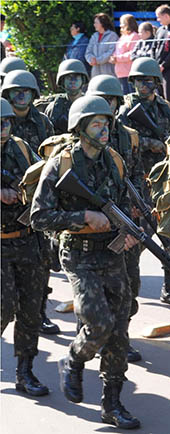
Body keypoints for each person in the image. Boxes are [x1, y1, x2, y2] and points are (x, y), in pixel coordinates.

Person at [31, 95, 140, 429]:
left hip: (111, 252)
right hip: (78, 254)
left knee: (120, 330)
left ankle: (112, 403)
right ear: (80, 128)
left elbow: (124, 203)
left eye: (106, 123)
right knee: (97, 323)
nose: (104, 129)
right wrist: (83, 217)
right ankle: (74, 359)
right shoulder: (62, 164)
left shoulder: (115, 161)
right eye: (96, 124)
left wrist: (132, 229)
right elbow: (38, 216)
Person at [118, 57, 170, 308]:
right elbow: (123, 141)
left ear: (156, 83)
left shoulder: (164, 107)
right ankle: (126, 286)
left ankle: (169, 288)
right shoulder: (126, 109)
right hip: (139, 181)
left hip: (162, 181)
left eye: (147, 81)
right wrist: (152, 144)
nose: (142, 86)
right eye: (138, 81)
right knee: (139, 238)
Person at [86, 74, 145, 363]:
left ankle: (121, 336)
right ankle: (92, 336)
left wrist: (138, 207)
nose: (106, 106)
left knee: (129, 283)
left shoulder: (129, 136)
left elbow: (136, 175)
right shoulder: (79, 141)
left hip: (125, 220)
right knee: (95, 291)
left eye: (110, 101)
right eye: (101, 101)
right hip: (95, 224)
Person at [1, 69, 58, 335]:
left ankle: (41, 313)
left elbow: (51, 162)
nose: (21, 96)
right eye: (16, 92)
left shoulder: (40, 125)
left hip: (32, 213)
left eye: (26, 91)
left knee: (40, 270)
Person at [1, 97, 50, 398]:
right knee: (4, 305)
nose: (3, 128)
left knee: (31, 309)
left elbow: (41, 179)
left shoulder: (21, 148)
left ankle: (25, 371)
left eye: (6, 122)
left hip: (27, 239)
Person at [45, 59, 89, 134]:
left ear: (83, 80)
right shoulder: (53, 108)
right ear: (62, 82)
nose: (73, 81)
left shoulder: (90, 105)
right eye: (69, 77)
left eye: (76, 77)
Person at [153, 4, 170, 128]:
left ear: (166, 15)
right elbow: (154, 47)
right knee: (160, 97)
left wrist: (164, 65)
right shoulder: (160, 30)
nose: (158, 20)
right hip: (158, 69)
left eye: (159, 17)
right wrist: (154, 63)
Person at [109, 14, 140, 95]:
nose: (120, 25)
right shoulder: (122, 37)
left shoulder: (134, 36)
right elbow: (117, 51)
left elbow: (132, 54)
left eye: (122, 23)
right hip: (120, 72)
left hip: (129, 71)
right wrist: (113, 57)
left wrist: (118, 58)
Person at [85, 13, 119, 78]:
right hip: (95, 72)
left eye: (96, 23)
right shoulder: (94, 36)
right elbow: (88, 52)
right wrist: (90, 60)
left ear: (102, 23)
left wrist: (97, 60)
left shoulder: (112, 36)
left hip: (108, 72)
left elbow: (111, 52)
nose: (94, 25)